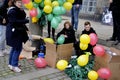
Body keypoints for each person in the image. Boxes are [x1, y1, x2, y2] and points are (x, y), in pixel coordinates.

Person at [6, 0, 29, 72]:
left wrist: (22, 11)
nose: (20, 4)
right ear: (15, 3)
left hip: (17, 31)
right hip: (15, 32)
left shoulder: (18, 10)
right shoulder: (12, 11)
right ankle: (14, 66)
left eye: (21, 2)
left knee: (14, 48)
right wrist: (25, 20)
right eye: (18, 2)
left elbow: (22, 17)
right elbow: (14, 21)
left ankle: (10, 63)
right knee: (18, 48)